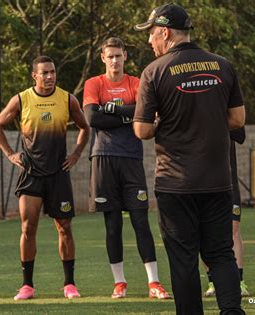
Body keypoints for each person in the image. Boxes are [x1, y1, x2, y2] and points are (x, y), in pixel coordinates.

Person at [133, 3, 246, 315]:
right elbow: (237, 120)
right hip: (217, 181)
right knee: (221, 253)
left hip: (175, 185)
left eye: (152, 34)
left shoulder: (154, 72)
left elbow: (141, 129)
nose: (149, 42)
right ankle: (232, 312)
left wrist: (160, 122)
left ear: (166, 32)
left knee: (183, 260)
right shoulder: (222, 65)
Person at [0, 55, 89, 300]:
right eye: (44, 73)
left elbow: (85, 127)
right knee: (28, 227)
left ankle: (69, 284)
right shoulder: (22, 99)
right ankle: (27, 286)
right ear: (34, 75)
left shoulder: (67, 99)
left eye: (52, 72)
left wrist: (76, 153)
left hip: (58, 174)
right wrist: (11, 154)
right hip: (31, 175)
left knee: (64, 227)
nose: (49, 77)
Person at [83, 37, 170, 299]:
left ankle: (154, 283)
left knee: (140, 221)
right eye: (110, 56)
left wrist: (113, 110)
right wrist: (126, 114)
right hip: (103, 158)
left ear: (125, 56)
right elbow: (92, 118)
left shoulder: (136, 82)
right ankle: (119, 283)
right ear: (103, 58)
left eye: (118, 56)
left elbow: (145, 112)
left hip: (131, 159)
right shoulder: (94, 83)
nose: (114, 60)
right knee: (112, 225)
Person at [204, 127, 249, 298]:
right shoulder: (191, 106)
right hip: (201, 180)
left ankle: (238, 281)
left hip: (227, 180)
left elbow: (240, 135)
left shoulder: (225, 107)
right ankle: (213, 282)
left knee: (233, 229)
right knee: (205, 233)